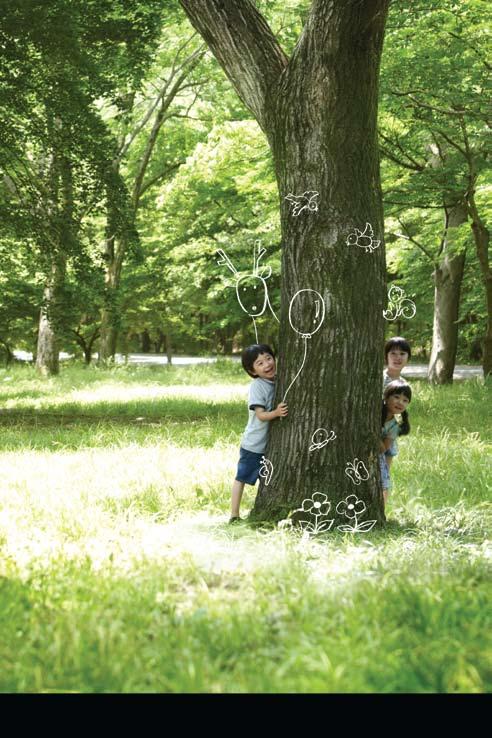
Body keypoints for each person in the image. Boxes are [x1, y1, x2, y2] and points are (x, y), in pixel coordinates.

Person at [229, 344, 288, 523]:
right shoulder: (257, 386)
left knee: (268, 478)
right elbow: (261, 415)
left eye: (269, 358)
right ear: (252, 371)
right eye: (260, 363)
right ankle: (234, 514)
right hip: (254, 444)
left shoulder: (279, 379)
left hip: (270, 444)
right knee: (242, 477)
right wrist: (277, 413)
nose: (267, 364)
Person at [380, 379, 411, 506]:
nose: (400, 402)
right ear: (386, 397)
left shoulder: (394, 426)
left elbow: (383, 448)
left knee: (384, 477)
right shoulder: (374, 412)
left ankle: (382, 508)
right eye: (396, 397)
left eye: (405, 400)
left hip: (382, 452)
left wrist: (373, 434)